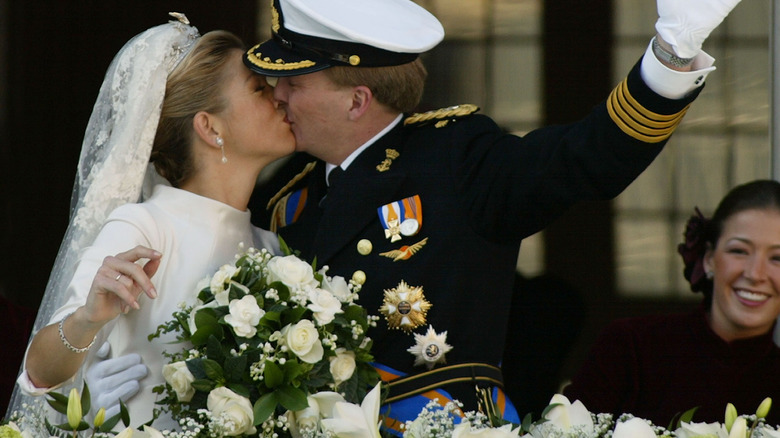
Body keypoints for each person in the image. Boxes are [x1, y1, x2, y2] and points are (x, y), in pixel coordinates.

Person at [238, 0, 741, 433]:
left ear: (356, 100)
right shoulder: (289, 194)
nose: (277, 94)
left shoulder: (455, 158)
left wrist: (671, 55)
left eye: (295, 82)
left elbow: (582, 158)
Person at [7, 14, 295, 429]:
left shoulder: (270, 246)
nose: (279, 96)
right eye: (258, 88)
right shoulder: (144, 226)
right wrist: (87, 319)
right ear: (210, 127)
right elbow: (39, 371)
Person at [563, 179, 780, 426]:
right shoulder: (631, 347)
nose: (755, 273)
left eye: (777, 257)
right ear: (709, 259)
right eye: (739, 251)